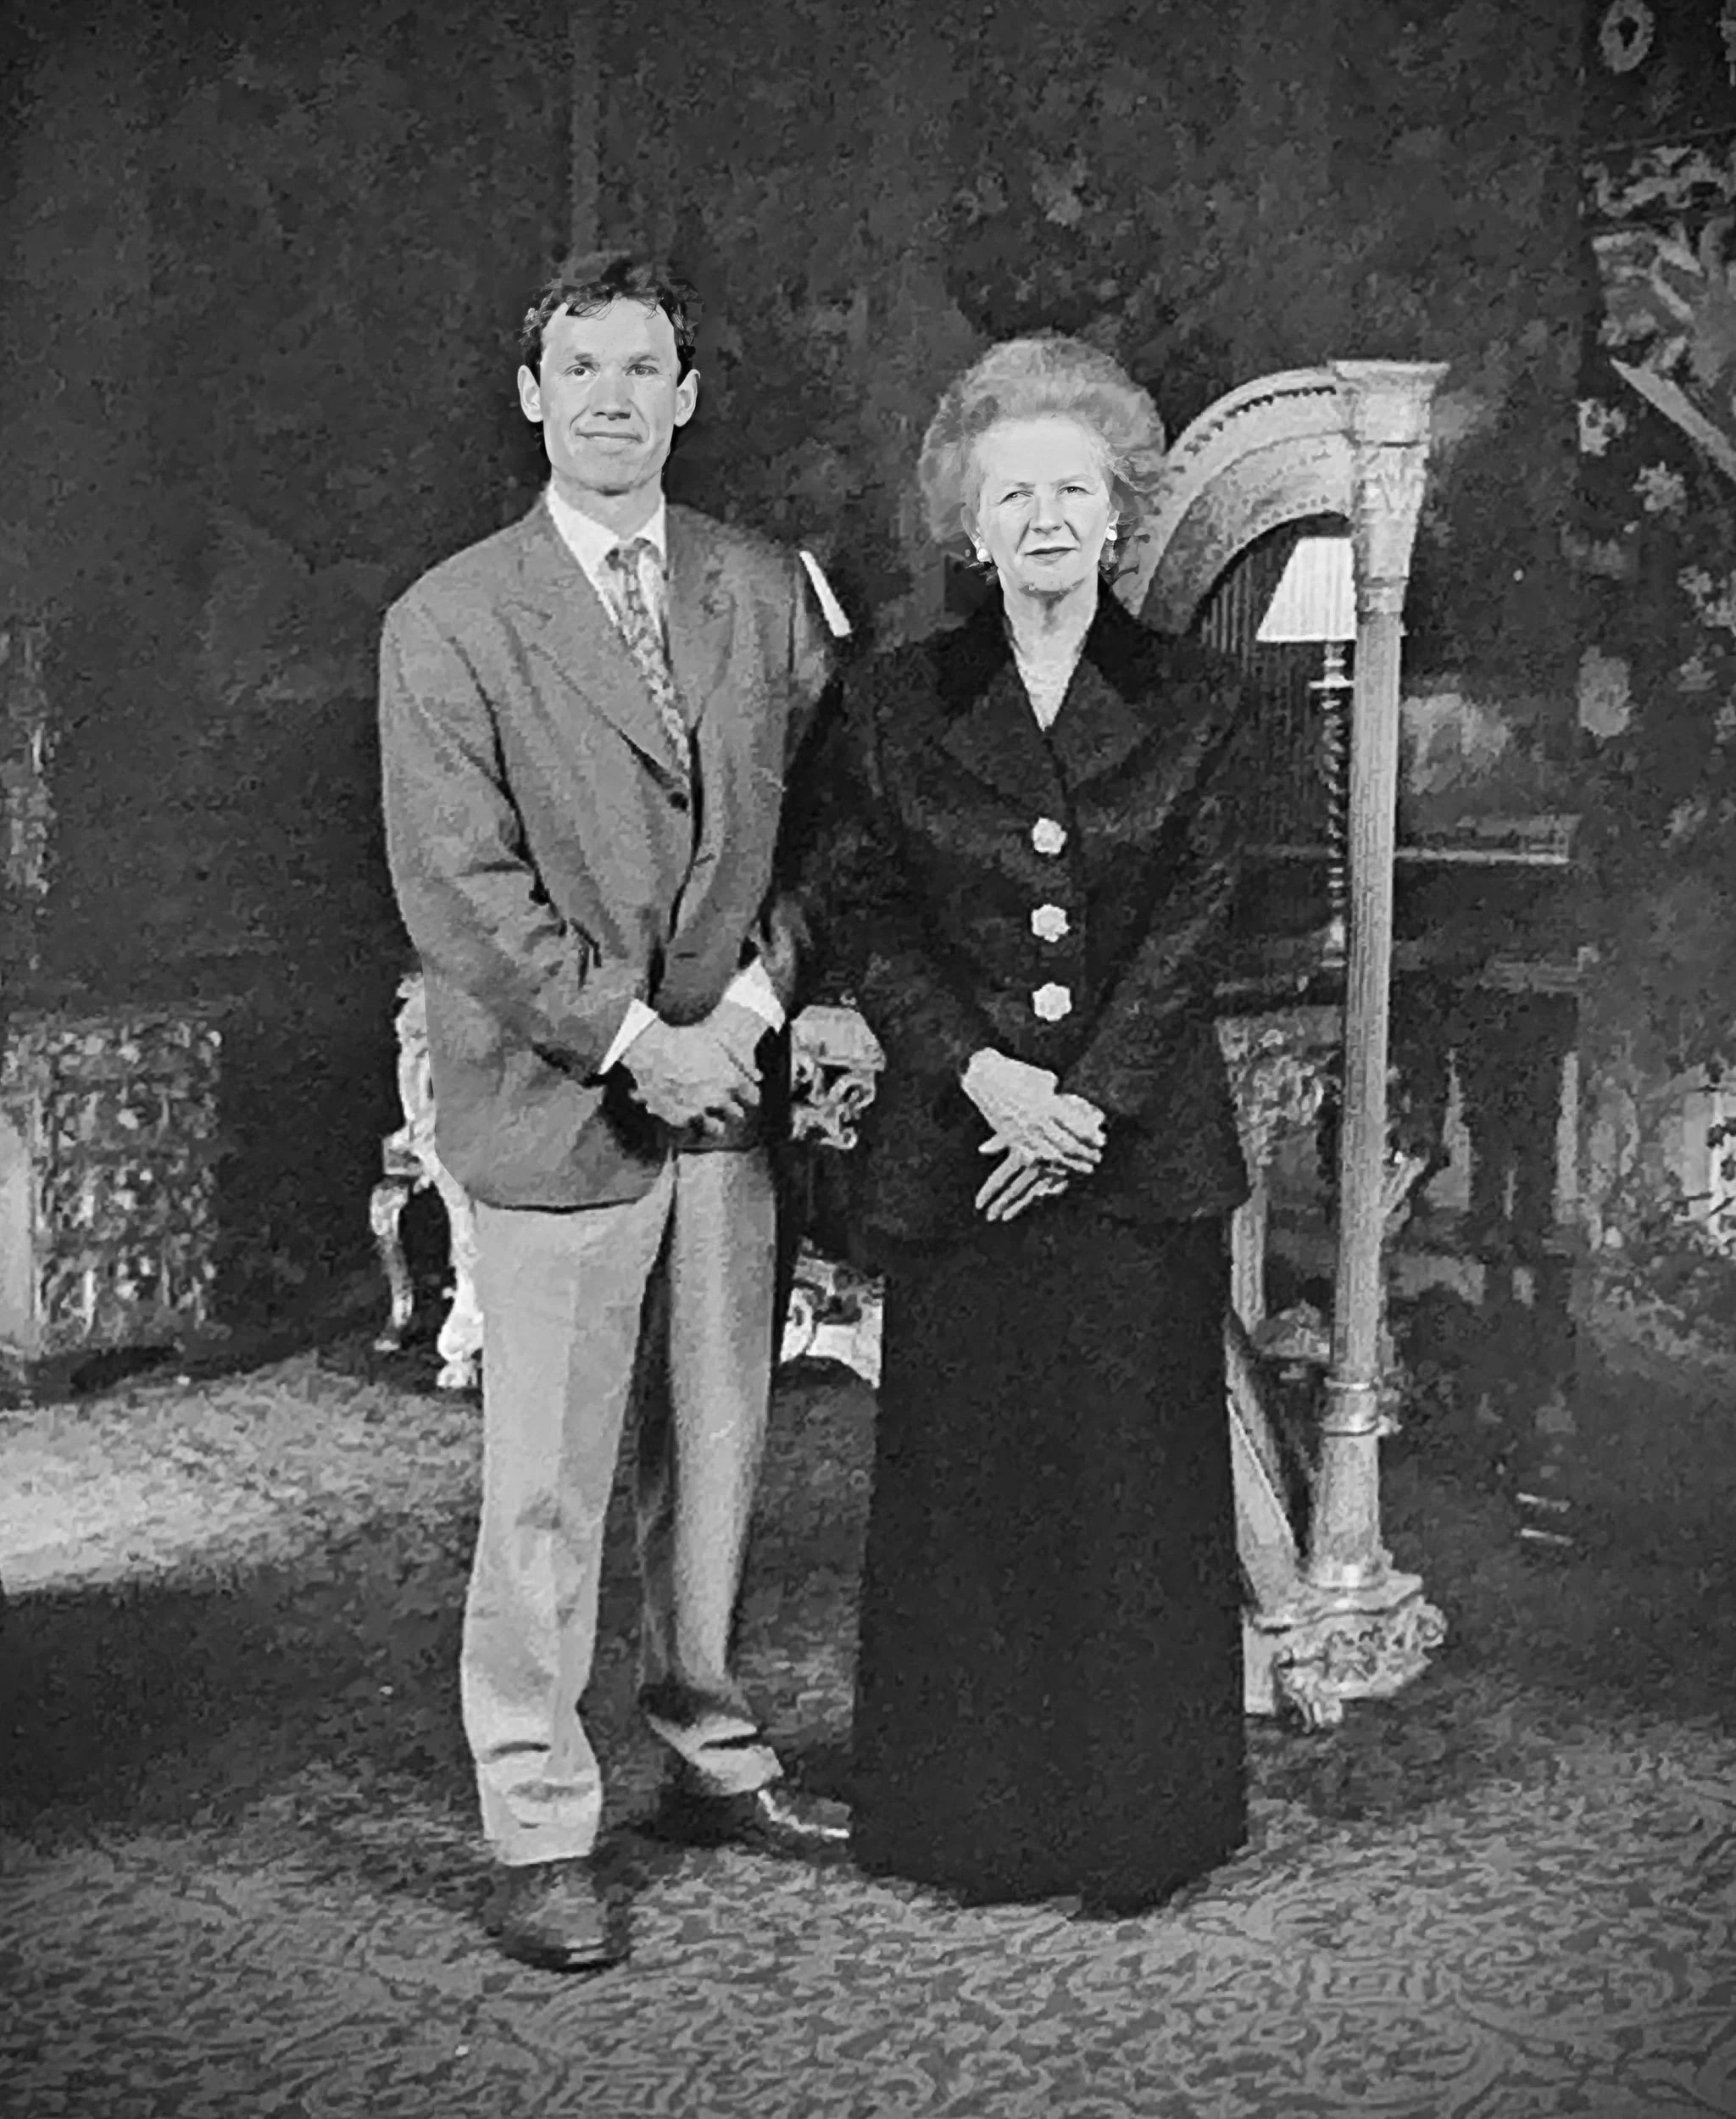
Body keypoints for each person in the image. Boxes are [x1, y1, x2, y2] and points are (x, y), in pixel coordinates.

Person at [379, 251, 848, 1975]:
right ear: (531, 395)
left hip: (725, 1098)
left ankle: (712, 1755)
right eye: (578, 368)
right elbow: (461, 893)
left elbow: (819, 837)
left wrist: (740, 1009)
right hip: (562, 1105)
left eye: (641, 368)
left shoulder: (760, 590)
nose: (610, 399)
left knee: (714, 1461)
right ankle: (539, 1819)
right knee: (551, 1490)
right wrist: (636, 1034)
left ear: (687, 391)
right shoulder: (449, 617)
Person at [809, 335, 1255, 1912]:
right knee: (971, 1488)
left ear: (1118, 512)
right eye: (1016, 492)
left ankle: (1143, 1826)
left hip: (1134, 1158)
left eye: (1075, 488)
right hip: (964, 1152)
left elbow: (1204, 913)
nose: (1047, 518)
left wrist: (1083, 1101)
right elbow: (862, 914)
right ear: (968, 523)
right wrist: (984, 1079)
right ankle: (972, 1829)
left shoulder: (1198, 694)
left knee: (1136, 1490)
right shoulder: (890, 699)